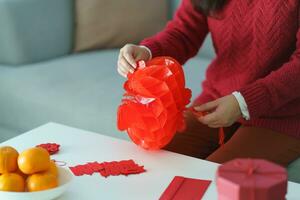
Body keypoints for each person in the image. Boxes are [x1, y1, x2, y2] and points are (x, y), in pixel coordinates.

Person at [117, 0, 300, 167]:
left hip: (286, 113)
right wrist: (147, 51)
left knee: (213, 178)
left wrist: (243, 102)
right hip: (219, 99)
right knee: (153, 163)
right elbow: (183, 33)